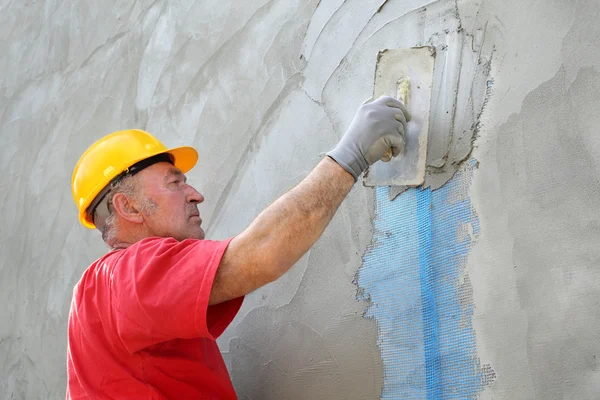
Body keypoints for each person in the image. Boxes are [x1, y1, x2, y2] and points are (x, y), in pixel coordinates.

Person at [66, 96, 410, 399]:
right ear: (128, 207)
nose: (195, 194)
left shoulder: (107, 294)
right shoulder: (128, 275)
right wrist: (351, 155)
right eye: (175, 182)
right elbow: (261, 254)